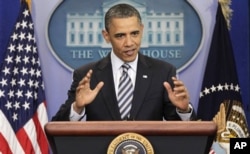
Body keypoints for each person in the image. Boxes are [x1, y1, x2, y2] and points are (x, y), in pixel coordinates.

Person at [52, 3, 196, 121]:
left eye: (134, 33)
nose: (129, 43)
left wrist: (183, 110)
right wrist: (77, 107)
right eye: (120, 36)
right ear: (106, 36)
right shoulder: (86, 75)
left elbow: (180, 130)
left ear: (142, 29)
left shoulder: (163, 72)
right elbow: (57, 124)